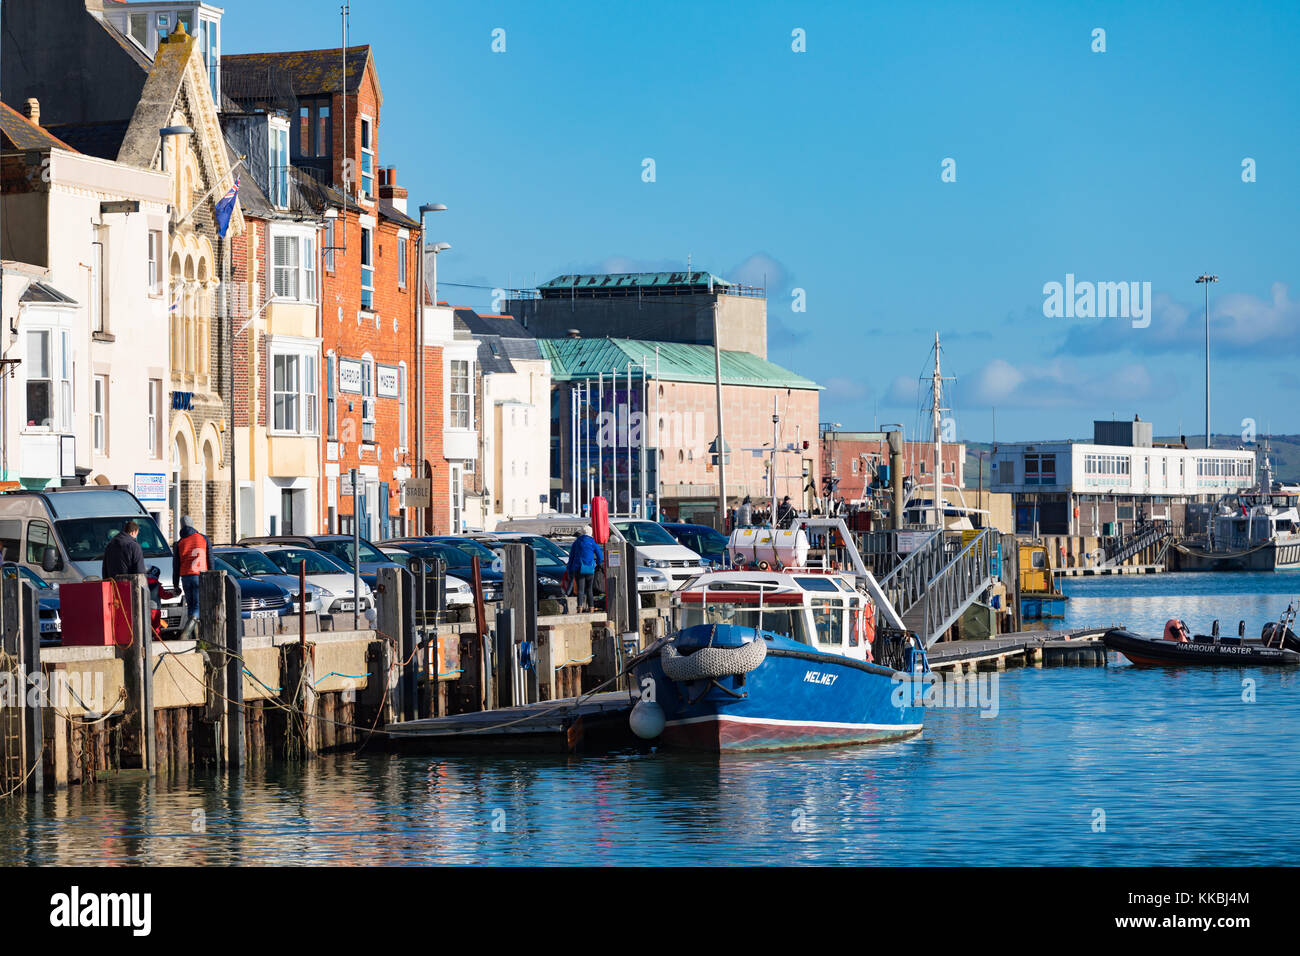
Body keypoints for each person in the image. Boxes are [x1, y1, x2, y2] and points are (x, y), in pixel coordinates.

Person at [173, 515, 211, 626]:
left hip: (185, 577)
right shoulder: (203, 539)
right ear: (192, 524)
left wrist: (175, 584)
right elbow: (210, 559)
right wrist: (212, 576)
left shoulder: (179, 543)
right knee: (198, 605)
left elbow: (176, 566)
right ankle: (187, 631)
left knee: (190, 605)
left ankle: (193, 634)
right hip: (200, 575)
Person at [566, 524, 604, 613]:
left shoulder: (577, 542)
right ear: (590, 533)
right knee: (589, 589)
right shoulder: (592, 542)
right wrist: (597, 564)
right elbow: (600, 556)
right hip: (590, 569)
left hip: (578, 568)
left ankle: (579, 607)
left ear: (582, 532)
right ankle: (591, 607)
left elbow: (571, 557)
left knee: (580, 589)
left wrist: (570, 570)